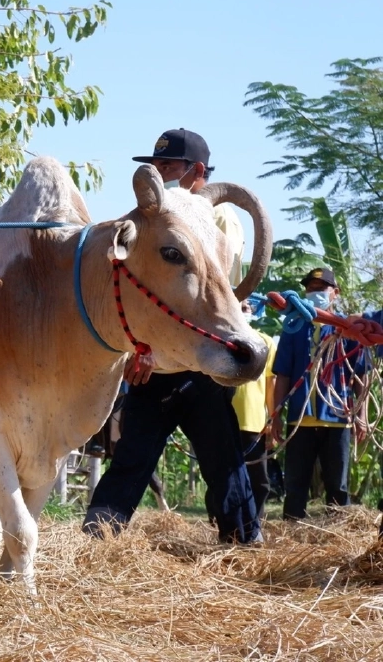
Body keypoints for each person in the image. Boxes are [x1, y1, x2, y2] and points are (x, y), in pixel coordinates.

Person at [83, 128, 261, 544]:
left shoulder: (214, 219)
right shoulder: (155, 221)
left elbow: (210, 297)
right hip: (156, 364)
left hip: (201, 361)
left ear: (197, 171)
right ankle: (97, 542)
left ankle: (243, 543)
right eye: (157, 166)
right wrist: (140, 347)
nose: (160, 174)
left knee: (222, 459)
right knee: (132, 456)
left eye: (168, 166)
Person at [271, 267, 367, 520]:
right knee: (295, 484)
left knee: (338, 486)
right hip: (300, 420)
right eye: (310, 289)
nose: (314, 293)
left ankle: (338, 532)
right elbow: (283, 374)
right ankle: (291, 533)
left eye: (321, 289)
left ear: (335, 293)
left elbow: (360, 376)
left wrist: (361, 415)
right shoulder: (293, 327)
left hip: (338, 418)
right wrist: (276, 415)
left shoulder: (347, 329)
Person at [222, 300, 277, 520]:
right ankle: (221, 522)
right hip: (223, 419)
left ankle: (255, 525)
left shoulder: (266, 342)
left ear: (253, 311)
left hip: (255, 423)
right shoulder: (219, 341)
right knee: (223, 476)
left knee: (259, 481)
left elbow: (271, 385)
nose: (242, 310)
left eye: (245, 307)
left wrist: (272, 419)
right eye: (237, 306)